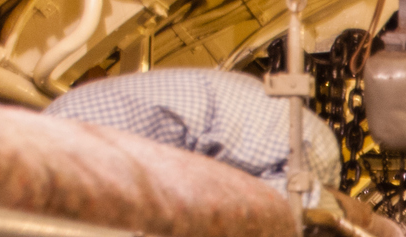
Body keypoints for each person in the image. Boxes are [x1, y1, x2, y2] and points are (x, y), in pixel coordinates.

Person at [46, 67, 339, 199]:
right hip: (78, 153)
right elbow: (294, 204)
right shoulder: (318, 152)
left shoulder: (281, 112)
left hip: (64, 113)